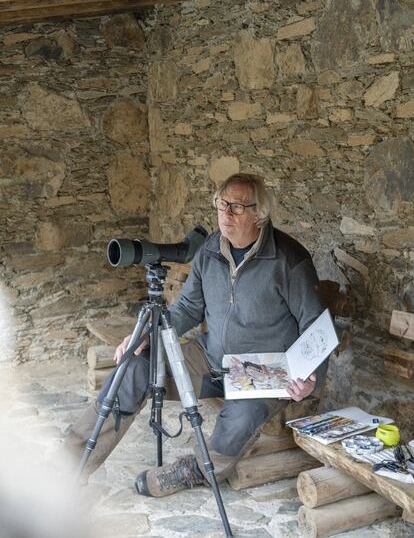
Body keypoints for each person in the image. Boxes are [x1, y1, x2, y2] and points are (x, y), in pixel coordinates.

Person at [66, 172, 327, 497]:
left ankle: (194, 471)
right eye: (221, 204)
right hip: (210, 356)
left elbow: (315, 324)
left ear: (259, 213)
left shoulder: (289, 260)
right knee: (136, 367)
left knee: (241, 416)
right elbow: (187, 308)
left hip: (264, 368)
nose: (226, 214)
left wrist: (310, 374)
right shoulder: (210, 251)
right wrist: (147, 335)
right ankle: (71, 460)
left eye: (236, 207)